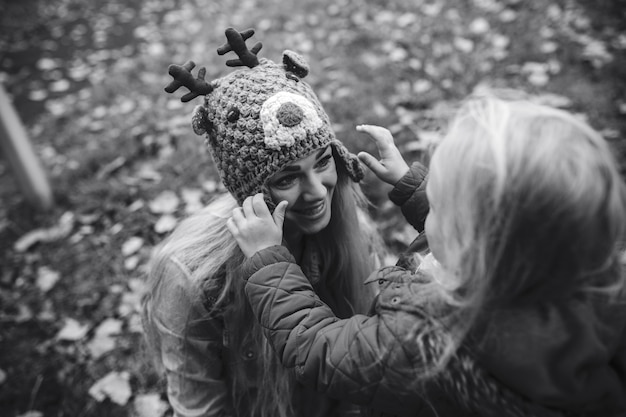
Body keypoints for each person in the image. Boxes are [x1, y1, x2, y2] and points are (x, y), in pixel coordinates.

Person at [228, 96, 626, 416]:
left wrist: (269, 258)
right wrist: (411, 187)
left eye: (437, 203)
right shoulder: (591, 295)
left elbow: (315, 346)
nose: (430, 210)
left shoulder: (422, 343)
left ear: (469, 247)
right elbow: (468, 240)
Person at [141, 28, 386, 417]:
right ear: (247, 191)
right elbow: (201, 407)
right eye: (287, 178)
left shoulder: (354, 233)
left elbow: (368, 363)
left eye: (322, 162)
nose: (319, 192)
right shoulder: (192, 275)